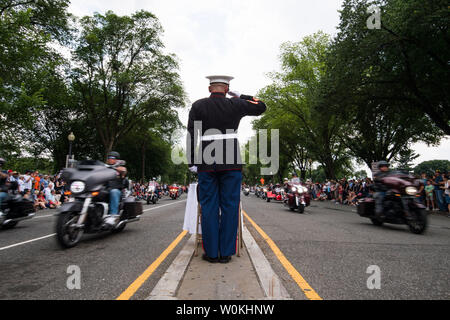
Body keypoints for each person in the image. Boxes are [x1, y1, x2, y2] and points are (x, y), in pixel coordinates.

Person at [187, 75, 266, 263]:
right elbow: (261, 106)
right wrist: (242, 96)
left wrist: (192, 161)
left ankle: (212, 253)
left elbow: (191, 133)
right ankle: (226, 252)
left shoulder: (198, 105)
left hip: (206, 161)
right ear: (227, 88)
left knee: (209, 207)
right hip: (231, 160)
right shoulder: (236, 104)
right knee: (230, 206)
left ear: (209, 89)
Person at [104, 151, 128, 227]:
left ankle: (113, 215)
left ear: (117, 159)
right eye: (109, 158)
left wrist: (117, 168)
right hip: (105, 189)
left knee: (114, 192)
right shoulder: (105, 168)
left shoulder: (120, 168)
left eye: (112, 158)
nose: (110, 159)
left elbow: (124, 171)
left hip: (117, 190)